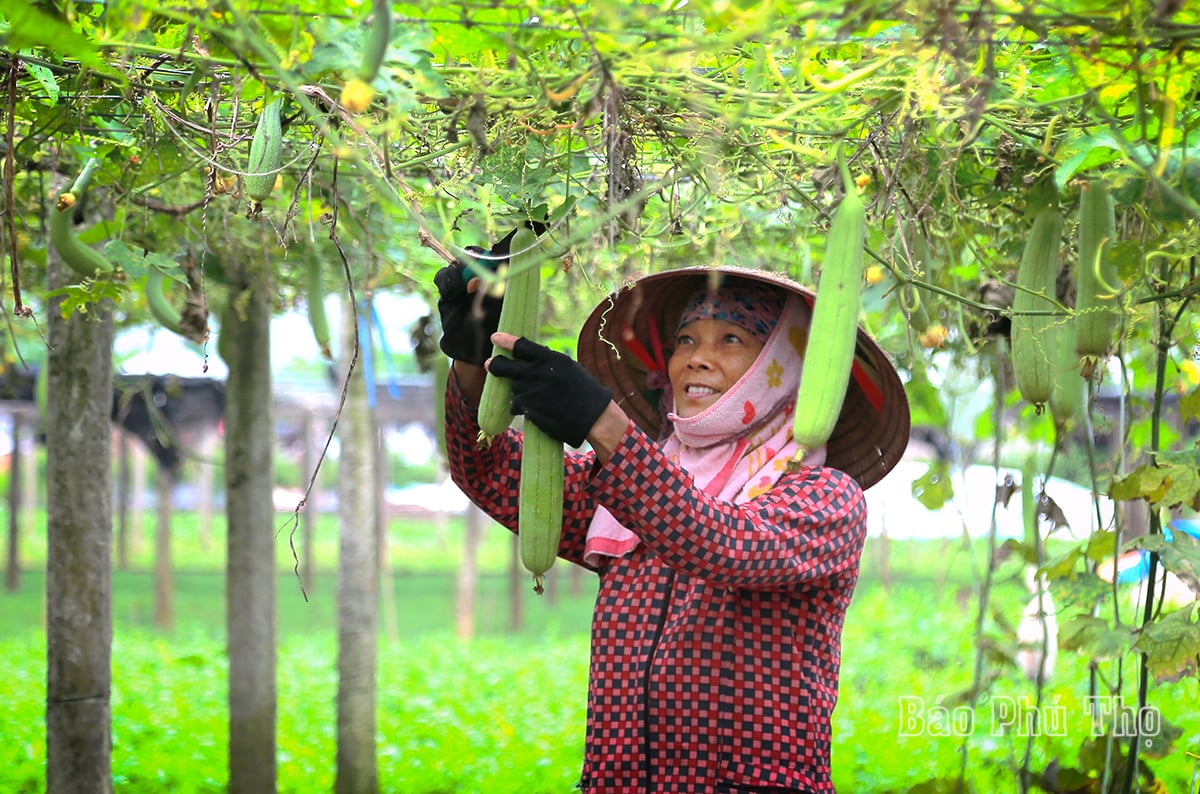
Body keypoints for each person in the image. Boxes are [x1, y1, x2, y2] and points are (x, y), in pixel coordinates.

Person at [434, 244, 910, 793]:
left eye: (731, 340)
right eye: (686, 340)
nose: (696, 359)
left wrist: (600, 421)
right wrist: (475, 357)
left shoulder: (827, 498)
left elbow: (720, 542)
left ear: (786, 368)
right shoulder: (629, 477)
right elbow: (487, 469)